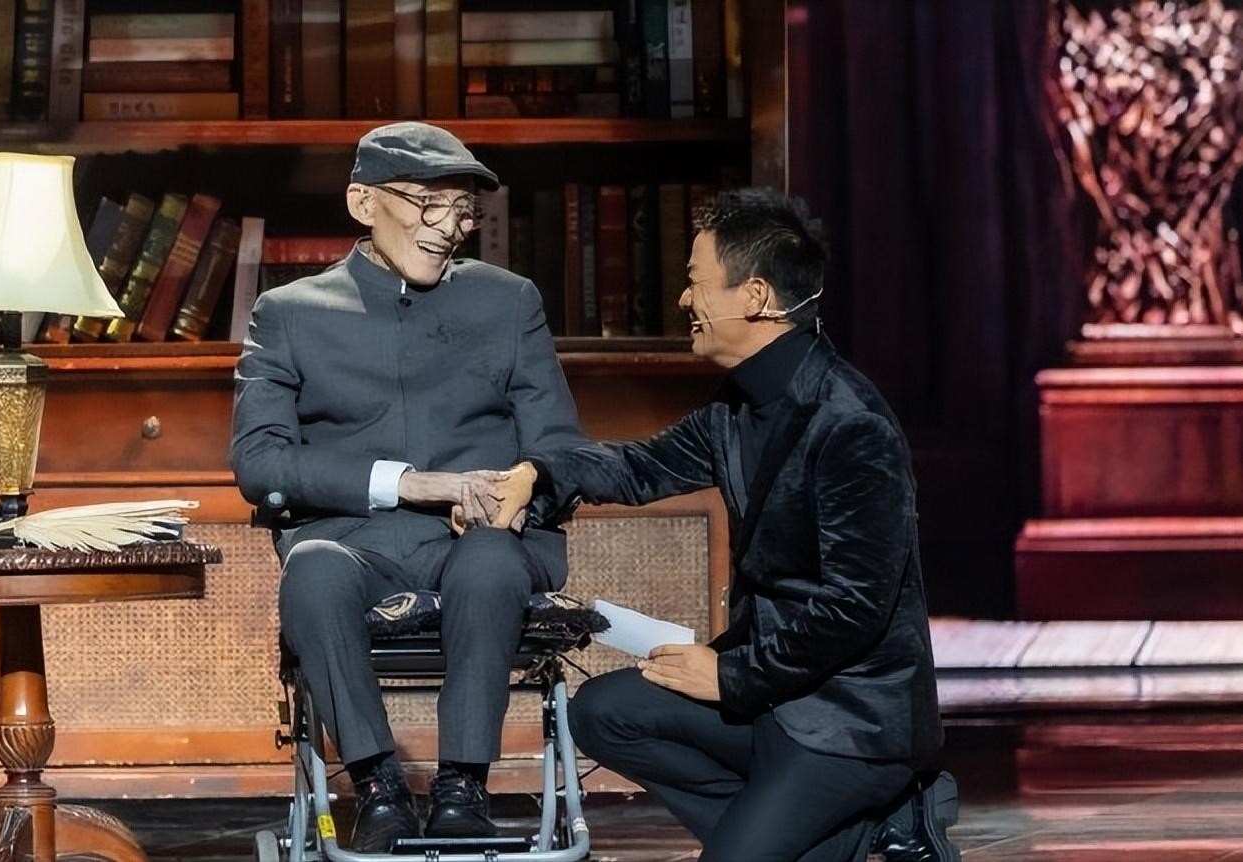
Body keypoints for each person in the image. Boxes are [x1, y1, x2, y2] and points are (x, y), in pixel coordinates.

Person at [524, 189, 959, 862]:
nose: (683, 300)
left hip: (848, 721)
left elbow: (855, 607)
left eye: (696, 282)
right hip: (773, 702)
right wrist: (537, 475)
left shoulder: (851, 425)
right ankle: (848, 834)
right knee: (603, 710)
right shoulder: (737, 406)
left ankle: (869, 806)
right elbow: (640, 468)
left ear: (755, 296)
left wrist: (732, 678)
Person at [230, 122, 586, 852]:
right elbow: (260, 464)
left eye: (461, 210)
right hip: (353, 544)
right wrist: (412, 484)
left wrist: (519, 491)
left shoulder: (508, 302)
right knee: (313, 570)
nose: (448, 226)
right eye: (427, 204)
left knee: (488, 561)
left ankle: (463, 788)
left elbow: (561, 451)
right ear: (363, 203)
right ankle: (379, 788)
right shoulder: (290, 313)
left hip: (480, 543)